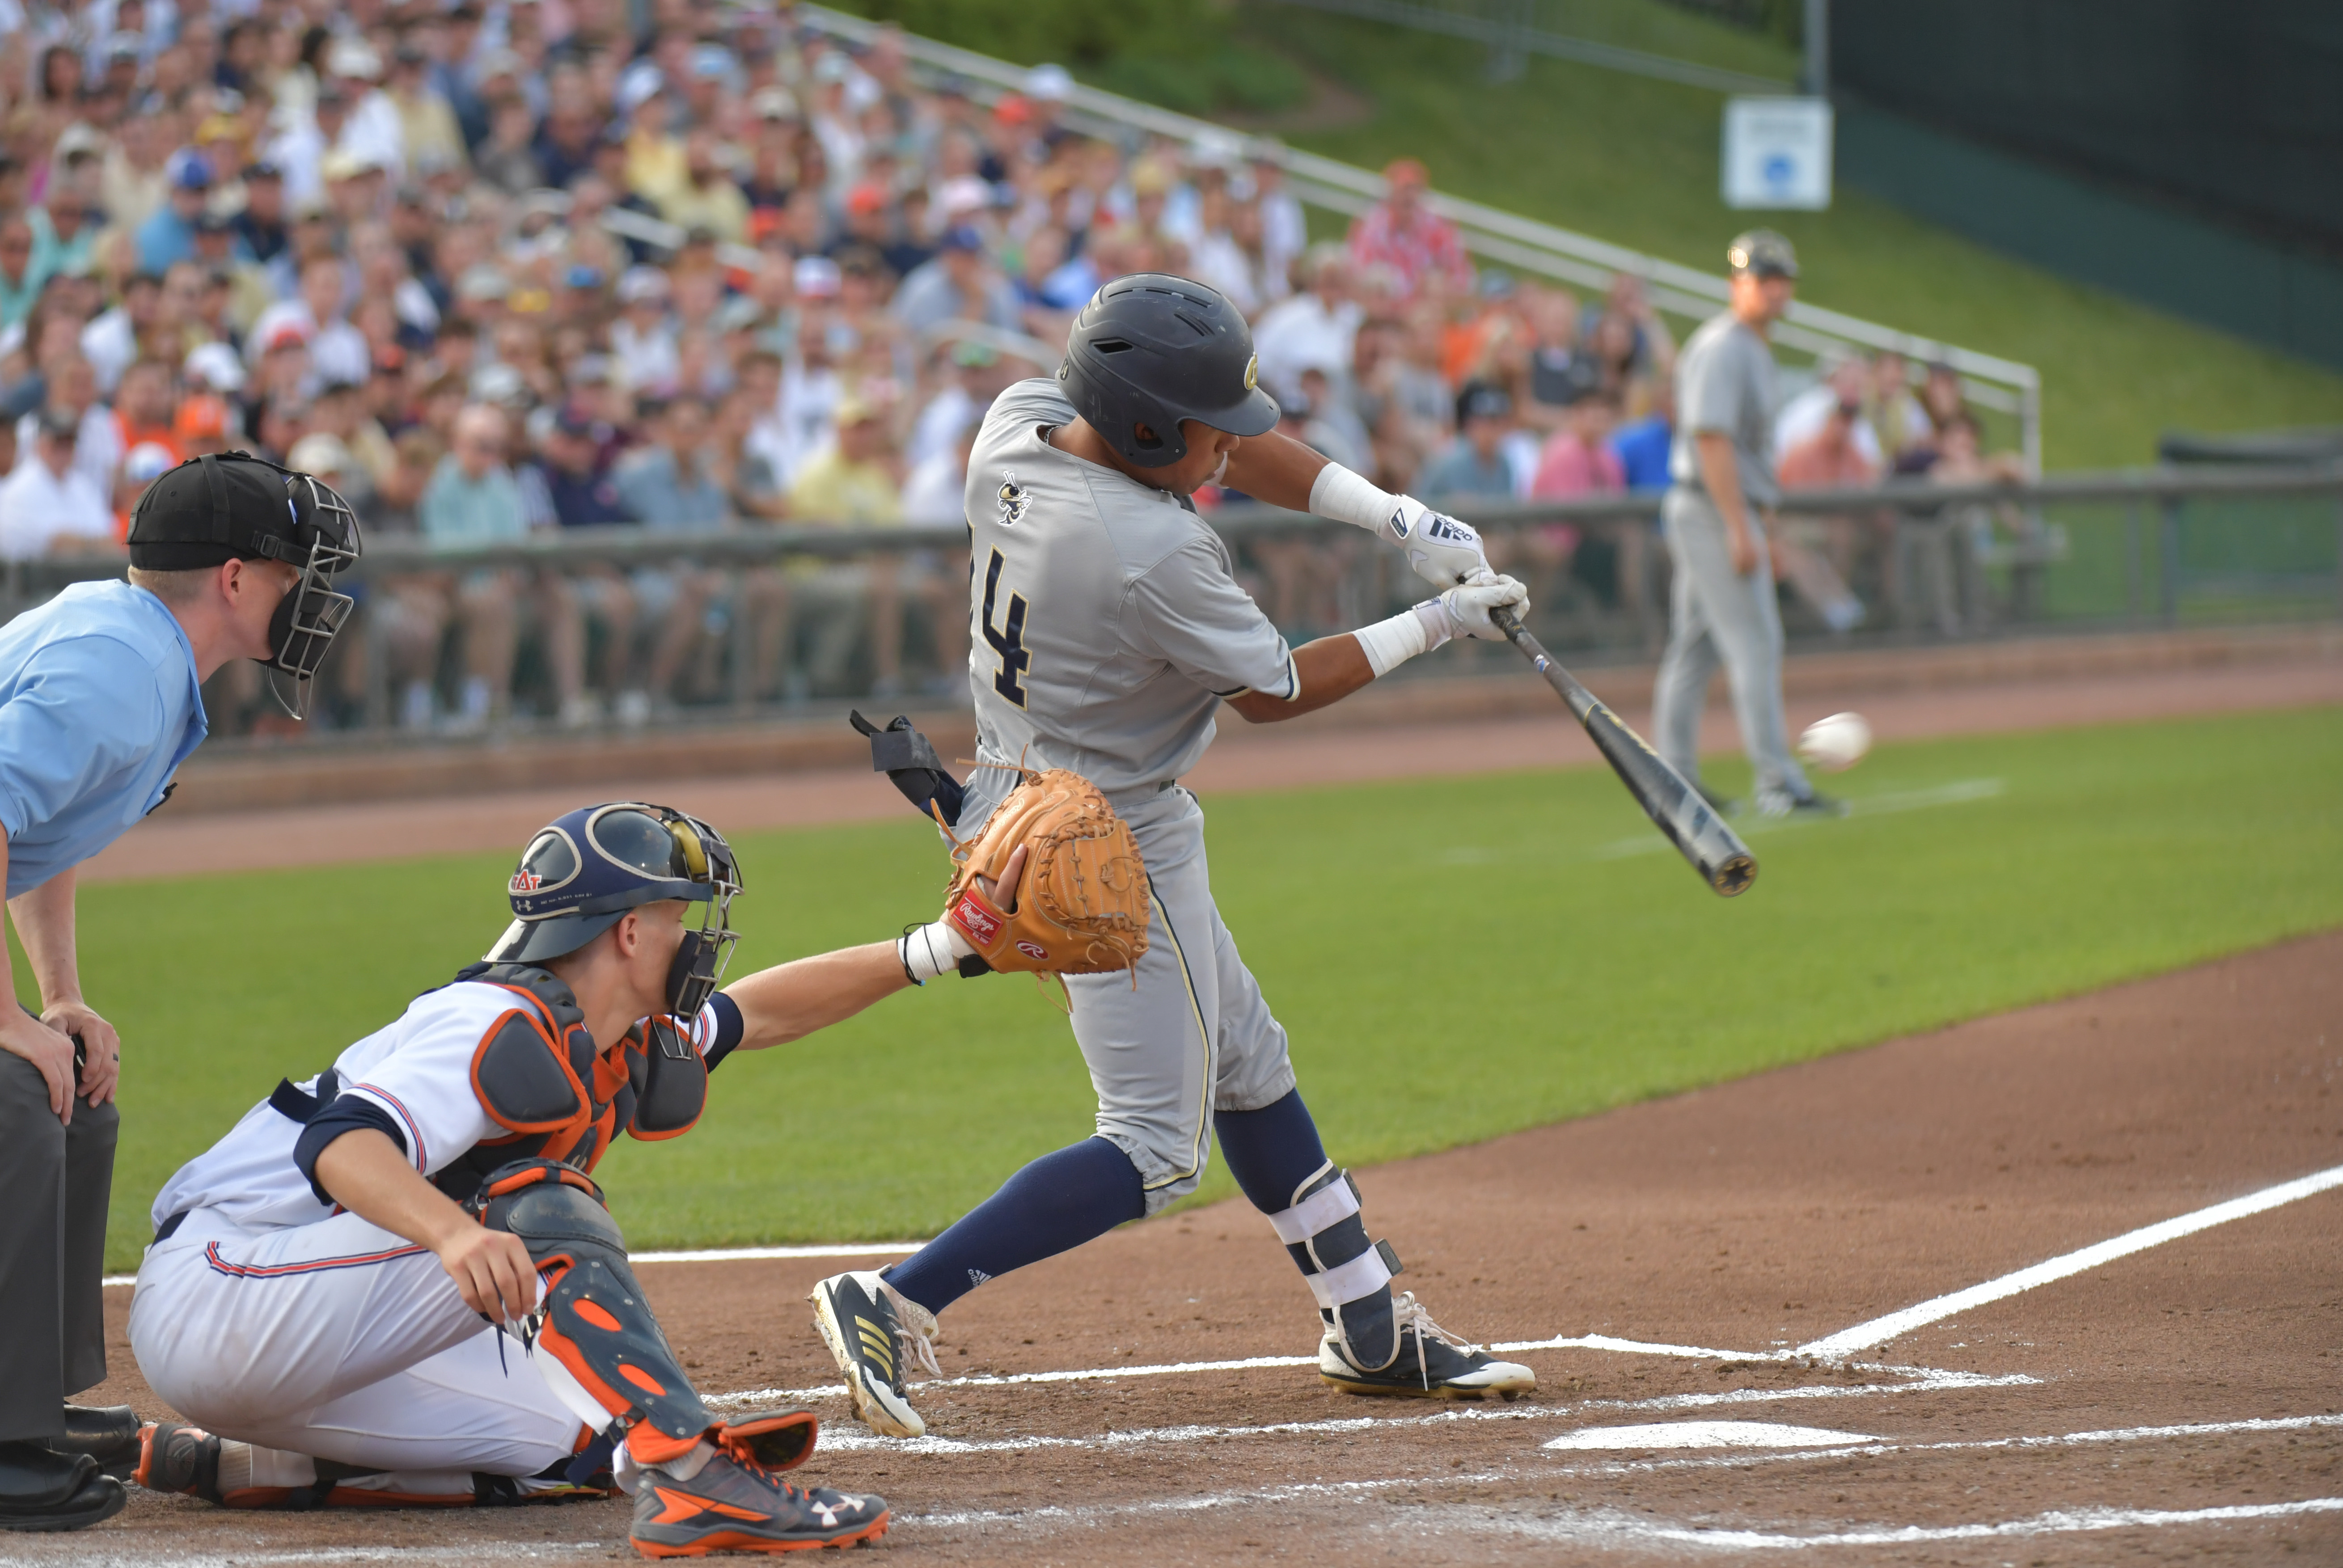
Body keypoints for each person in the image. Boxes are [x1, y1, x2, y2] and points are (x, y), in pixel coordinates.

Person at [807, 273, 1537, 1441]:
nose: (1224, 451)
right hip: (1104, 839)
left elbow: (1228, 454)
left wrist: (1394, 515)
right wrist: (1437, 622)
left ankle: (1370, 1328)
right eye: (1201, 431)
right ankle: (894, 1297)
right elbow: (1279, 690)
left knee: (1248, 1061)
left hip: (1015, 793)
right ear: (1147, 427)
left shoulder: (1019, 425)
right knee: (1153, 1146)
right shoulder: (1146, 549)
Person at [125, 799, 1022, 1552]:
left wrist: (945, 946)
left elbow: (763, 1010)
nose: (700, 938)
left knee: (590, 1438)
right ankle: (694, 1475)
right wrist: (455, 1232)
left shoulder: (610, 1031)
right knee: (531, 1203)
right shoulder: (488, 1019)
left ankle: (246, 1464)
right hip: (225, 1288)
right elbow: (341, 1142)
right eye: (681, 916)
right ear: (629, 931)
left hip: (301, 1338)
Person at [0, 451, 359, 1531]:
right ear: (239, 579)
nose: (316, 595)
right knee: (14, 1104)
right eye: (300, 571)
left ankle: (30, 1409)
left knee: (71, 1093)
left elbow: (38, 832)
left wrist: (57, 998)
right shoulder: (120, 664)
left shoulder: (134, 647)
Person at [1650, 231, 1840, 818]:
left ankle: (1671, 782)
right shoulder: (1724, 345)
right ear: (1739, 284)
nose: (1775, 289)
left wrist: (1758, 520)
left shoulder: (1754, 348)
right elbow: (1712, 439)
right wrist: (1738, 526)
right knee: (1756, 640)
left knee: (1697, 647)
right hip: (1709, 506)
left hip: (1719, 506)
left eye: (1781, 279)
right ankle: (1778, 781)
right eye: (1763, 278)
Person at [0, 407, 117, 561]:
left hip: (81, 575)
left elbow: (110, 536)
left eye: (69, 443)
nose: (64, 451)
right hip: (33, 580)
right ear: (40, 444)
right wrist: (93, 545)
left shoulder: (81, 484)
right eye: (58, 443)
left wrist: (86, 544)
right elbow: (57, 543)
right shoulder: (18, 487)